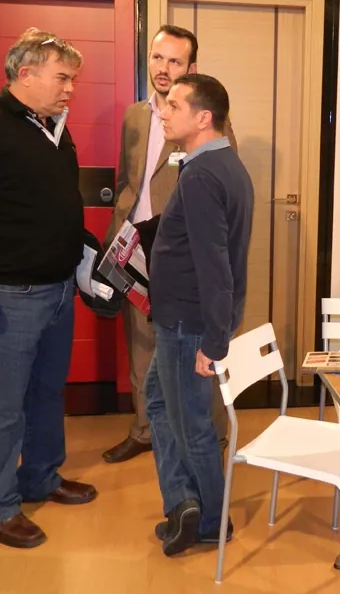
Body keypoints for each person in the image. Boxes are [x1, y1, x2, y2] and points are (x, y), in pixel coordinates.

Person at [0, 28, 96, 550]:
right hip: (6, 295)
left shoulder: (53, 128)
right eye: (62, 78)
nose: (71, 89)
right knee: (1, 406)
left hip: (58, 290)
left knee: (47, 393)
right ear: (25, 74)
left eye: (73, 80)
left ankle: (41, 477)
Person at [101, 25, 237, 465]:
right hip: (135, 252)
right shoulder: (134, 116)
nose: (163, 68)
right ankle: (145, 431)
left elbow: (219, 189)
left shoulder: (205, 121)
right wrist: (115, 237)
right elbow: (126, 181)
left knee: (195, 350)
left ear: (191, 67)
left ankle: (210, 436)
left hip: (181, 255)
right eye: (157, 58)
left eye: (175, 61)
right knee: (141, 346)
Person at [147, 73, 253, 556]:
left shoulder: (203, 175)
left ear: (203, 117)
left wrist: (214, 341)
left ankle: (210, 521)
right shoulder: (220, 164)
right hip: (185, 320)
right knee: (157, 404)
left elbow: (216, 265)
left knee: (192, 424)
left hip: (188, 326)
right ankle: (183, 501)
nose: (163, 112)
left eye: (174, 105)